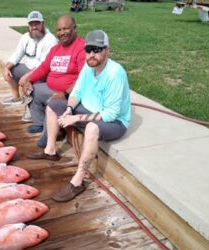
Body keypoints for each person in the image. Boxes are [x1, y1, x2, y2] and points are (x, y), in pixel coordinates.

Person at [26, 30, 131, 202]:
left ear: (107, 50)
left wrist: (75, 118)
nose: (92, 54)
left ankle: (78, 180)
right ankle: (50, 150)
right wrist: (69, 109)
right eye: (88, 49)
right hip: (89, 110)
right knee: (53, 105)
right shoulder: (88, 68)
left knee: (91, 127)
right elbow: (77, 92)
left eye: (97, 49)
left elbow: (110, 114)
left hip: (115, 122)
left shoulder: (114, 73)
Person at [20, 15, 86, 136]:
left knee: (53, 103)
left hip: (69, 93)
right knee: (30, 89)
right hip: (51, 88)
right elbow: (44, 68)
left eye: (66, 29)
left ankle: (48, 140)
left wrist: (66, 93)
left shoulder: (82, 47)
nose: (62, 33)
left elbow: (83, 77)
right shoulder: (56, 49)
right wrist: (29, 80)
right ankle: (39, 123)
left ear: (75, 29)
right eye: (59, 30)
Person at [2, 11, 58, 106]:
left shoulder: (50, 40)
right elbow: (17, 54)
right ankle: (17, 98)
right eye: (31, 24)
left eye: (37, 24)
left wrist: (27, 76)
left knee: (30, 80)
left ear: (43, 24)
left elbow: (44, 66)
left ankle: (32, 108)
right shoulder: (25, 37)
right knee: (10, 70)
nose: (34, 27)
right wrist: (6, 67)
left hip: (44, 73)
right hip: (29, 68)